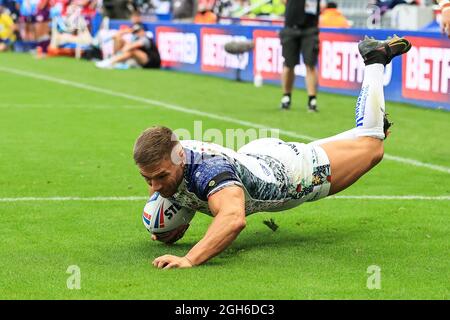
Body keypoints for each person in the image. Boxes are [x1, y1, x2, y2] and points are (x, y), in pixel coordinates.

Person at [133, 35, 411, 269]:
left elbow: (233, 219)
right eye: (149, 180)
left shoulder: (210, 171)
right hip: (257, 158)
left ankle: (374, 61)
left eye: (159, 177)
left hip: (289, 177)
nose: (155, 186)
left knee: (373, 146)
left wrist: (190, 259)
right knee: (364, 138)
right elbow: (163, 183)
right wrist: (165, 224)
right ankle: (366, 124)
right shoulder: (171, 153)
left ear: (179, 157)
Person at [279, 0, 322, 112]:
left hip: (310, 28)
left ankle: (312, 100)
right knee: (289, 65)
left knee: (310, 64)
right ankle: (286, 97)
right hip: (290, 27)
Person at [95, 23, 161, 69]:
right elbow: (117, 36)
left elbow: (132, 46)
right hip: (140, 60)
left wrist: (121, 53)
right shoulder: (135, 38)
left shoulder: (146, 38)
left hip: (152, 63)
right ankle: (114, 60)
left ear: (143, 31)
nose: (136, 33)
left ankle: (110, 62)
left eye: (138, 31)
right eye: (135, 32)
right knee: (120, 39)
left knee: (132, 51)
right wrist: (126, 31)